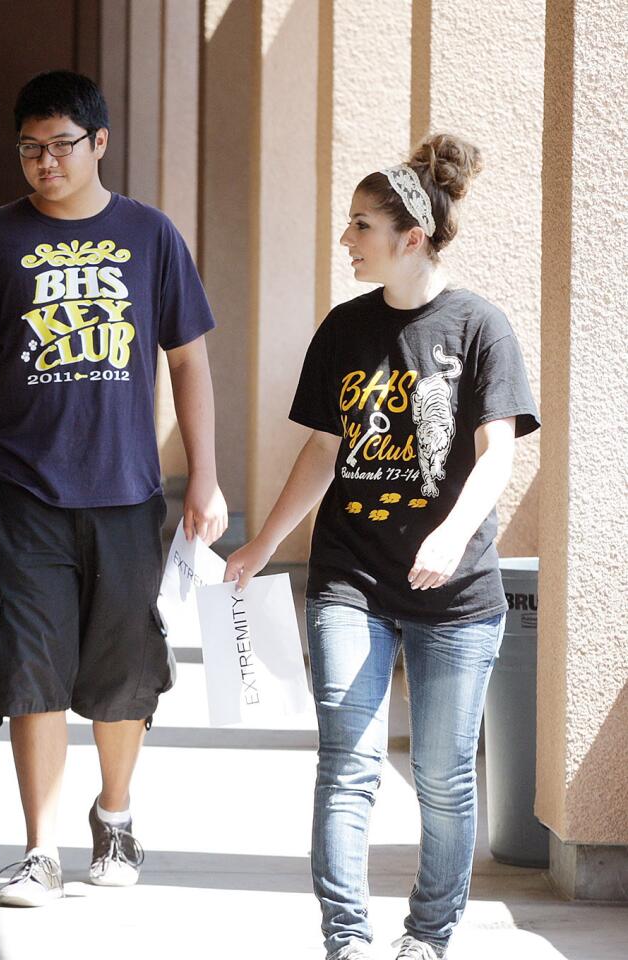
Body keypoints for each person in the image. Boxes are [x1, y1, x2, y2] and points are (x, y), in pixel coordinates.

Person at [223, 134, 539, 960]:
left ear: (413, 236)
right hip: (351, 578)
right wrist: (261, 545)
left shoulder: (479, 328)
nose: (347, 240)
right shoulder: (345, 330)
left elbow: (497, 450)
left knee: (442, 777)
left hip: (457, 593)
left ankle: (427, 938)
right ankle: (349, 942)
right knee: (348, 764)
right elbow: (324, 451)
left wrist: (449, 530)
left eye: (361, 225)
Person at [0, 70, 227, 906]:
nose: (45, 163)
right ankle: (38, 848)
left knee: (121, 667)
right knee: (29, 663)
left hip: (123, 489)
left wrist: (205, 478)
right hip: (19, 485)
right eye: (30, 149)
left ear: (100, 143)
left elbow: (188, 361)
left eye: (62, 146)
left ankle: (114, 816)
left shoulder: (149, 235)